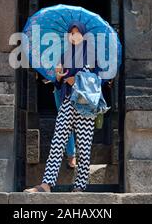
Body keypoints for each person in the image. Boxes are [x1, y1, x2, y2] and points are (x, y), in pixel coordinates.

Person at [24, 21, 103, 193]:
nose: (73, 36)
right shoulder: (65, 55)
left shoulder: (91, 53)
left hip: (85, 106)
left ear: (83, 35)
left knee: (83, 146)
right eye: (71, 33)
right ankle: (46, 184)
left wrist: (78, 78)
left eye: (77, 33)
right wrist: (59, 78)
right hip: (68, 102)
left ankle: (79, 187)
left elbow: (98, 79)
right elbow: (59, 85)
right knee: (57, 141)